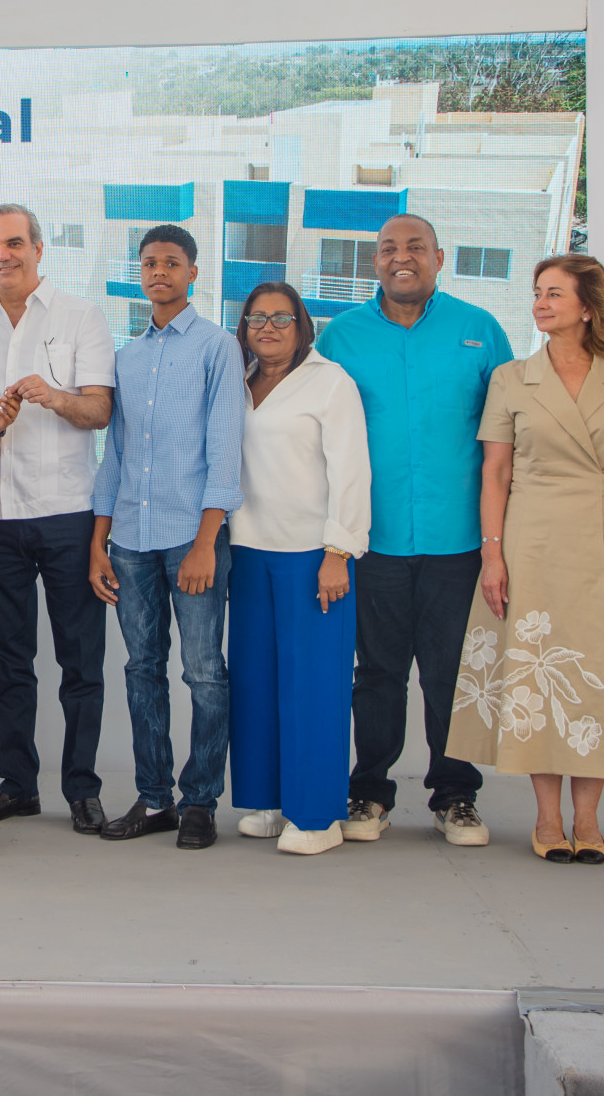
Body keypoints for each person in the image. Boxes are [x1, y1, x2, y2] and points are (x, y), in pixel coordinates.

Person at [445, 255, 604, 865]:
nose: (541, 303)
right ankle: (548, 818)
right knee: (538, 675)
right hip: (533, 540)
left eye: (554, 293)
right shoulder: (511, 378)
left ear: (588, 306)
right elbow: (495, 472)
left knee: (597, 674)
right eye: (537, 292)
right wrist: (492, 556)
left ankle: (589, 819)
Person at [315, 213, 513, 847]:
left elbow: (510, 436)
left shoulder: (480, 329)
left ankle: (455, 796)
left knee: (450, 673)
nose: (402, 258)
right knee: (377, 674)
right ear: (374, 261)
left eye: (416, 247)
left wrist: (502, 541)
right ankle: (370, 791)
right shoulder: (340, 337)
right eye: (388, 249)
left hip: (459, 539)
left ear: (439, 257)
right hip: (372, 539)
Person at [0, 204, 116, 834]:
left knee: (81, 663)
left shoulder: (81, 316)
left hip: (68, 513)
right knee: (10, 663)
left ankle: (82, 789)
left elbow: (100, 411)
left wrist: (55, 397)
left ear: (39, 249)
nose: (3, 255)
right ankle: (17, 786)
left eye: (15, 243)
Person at [89, 224, 245, 850]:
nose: (159, 271)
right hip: (130, 537)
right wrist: (98, 542)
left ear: (193, 273)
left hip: (191, 535)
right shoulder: (126, 357)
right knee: (141, 669)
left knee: (204, 671)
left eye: (172, 262)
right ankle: (154, 798)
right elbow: (115, 452)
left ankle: (200, 800)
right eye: (150, 262)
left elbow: (225, 448)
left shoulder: (217, 347)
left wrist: (207, 542)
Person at [226, 283, 369, 856]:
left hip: (313, 555)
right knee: (256, 682)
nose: (268, 327)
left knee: (314, 685)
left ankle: (317, 815)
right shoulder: (237, 382)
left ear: (302, 325)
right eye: (256, 317)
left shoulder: (330, 382)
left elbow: (352, 470)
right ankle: (269, 800)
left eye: (281, 318)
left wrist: (339, 551)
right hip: (248, 550)